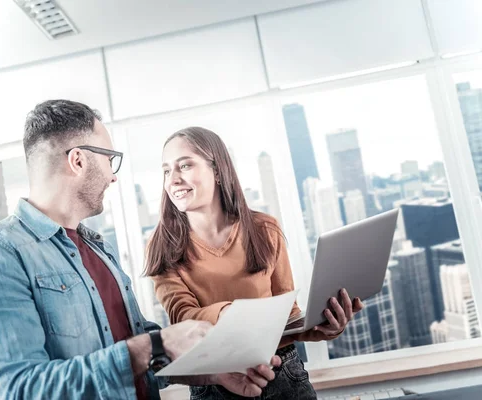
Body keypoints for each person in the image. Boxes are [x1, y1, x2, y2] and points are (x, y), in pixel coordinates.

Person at [0, 101, 283, 400]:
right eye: (110, 159)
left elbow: (140, 356)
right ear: (78, 160)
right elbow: (21, 390)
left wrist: (212, 370)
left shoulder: (99, 250)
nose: (113, 177)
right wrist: (154, 345)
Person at [146, 126, 365, 399]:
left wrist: (326, 328)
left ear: (217, 170)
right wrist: (232, 315)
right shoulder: (162, 246)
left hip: (282, 374)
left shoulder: (264, 229)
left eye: (185, 165)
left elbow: (287, 317)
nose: (173, 179)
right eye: (167, 170)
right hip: (215, 384)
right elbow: (182, 317)